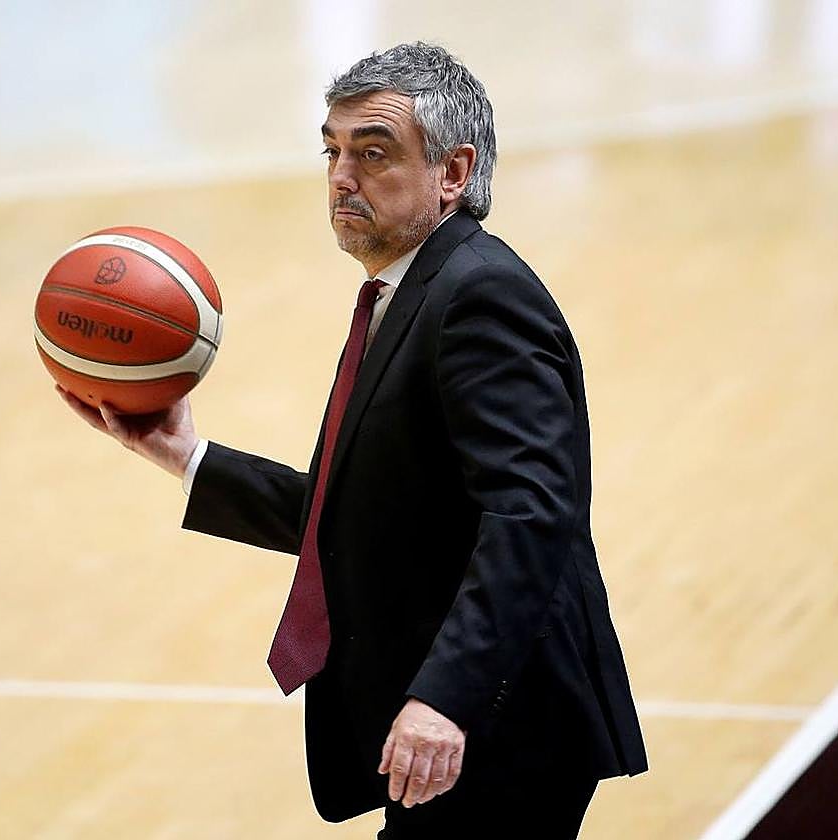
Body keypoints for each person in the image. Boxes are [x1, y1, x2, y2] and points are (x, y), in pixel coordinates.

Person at [59, 42, 647, 839]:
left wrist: (447, 697)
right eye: (333, 151)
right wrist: (182, 455)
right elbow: (360, 513)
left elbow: (531, 516)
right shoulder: (410, 290)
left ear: (454, 172)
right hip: (475, 727)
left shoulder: (479, 299)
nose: (342, 176)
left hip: (503, 725)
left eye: (374, 153)